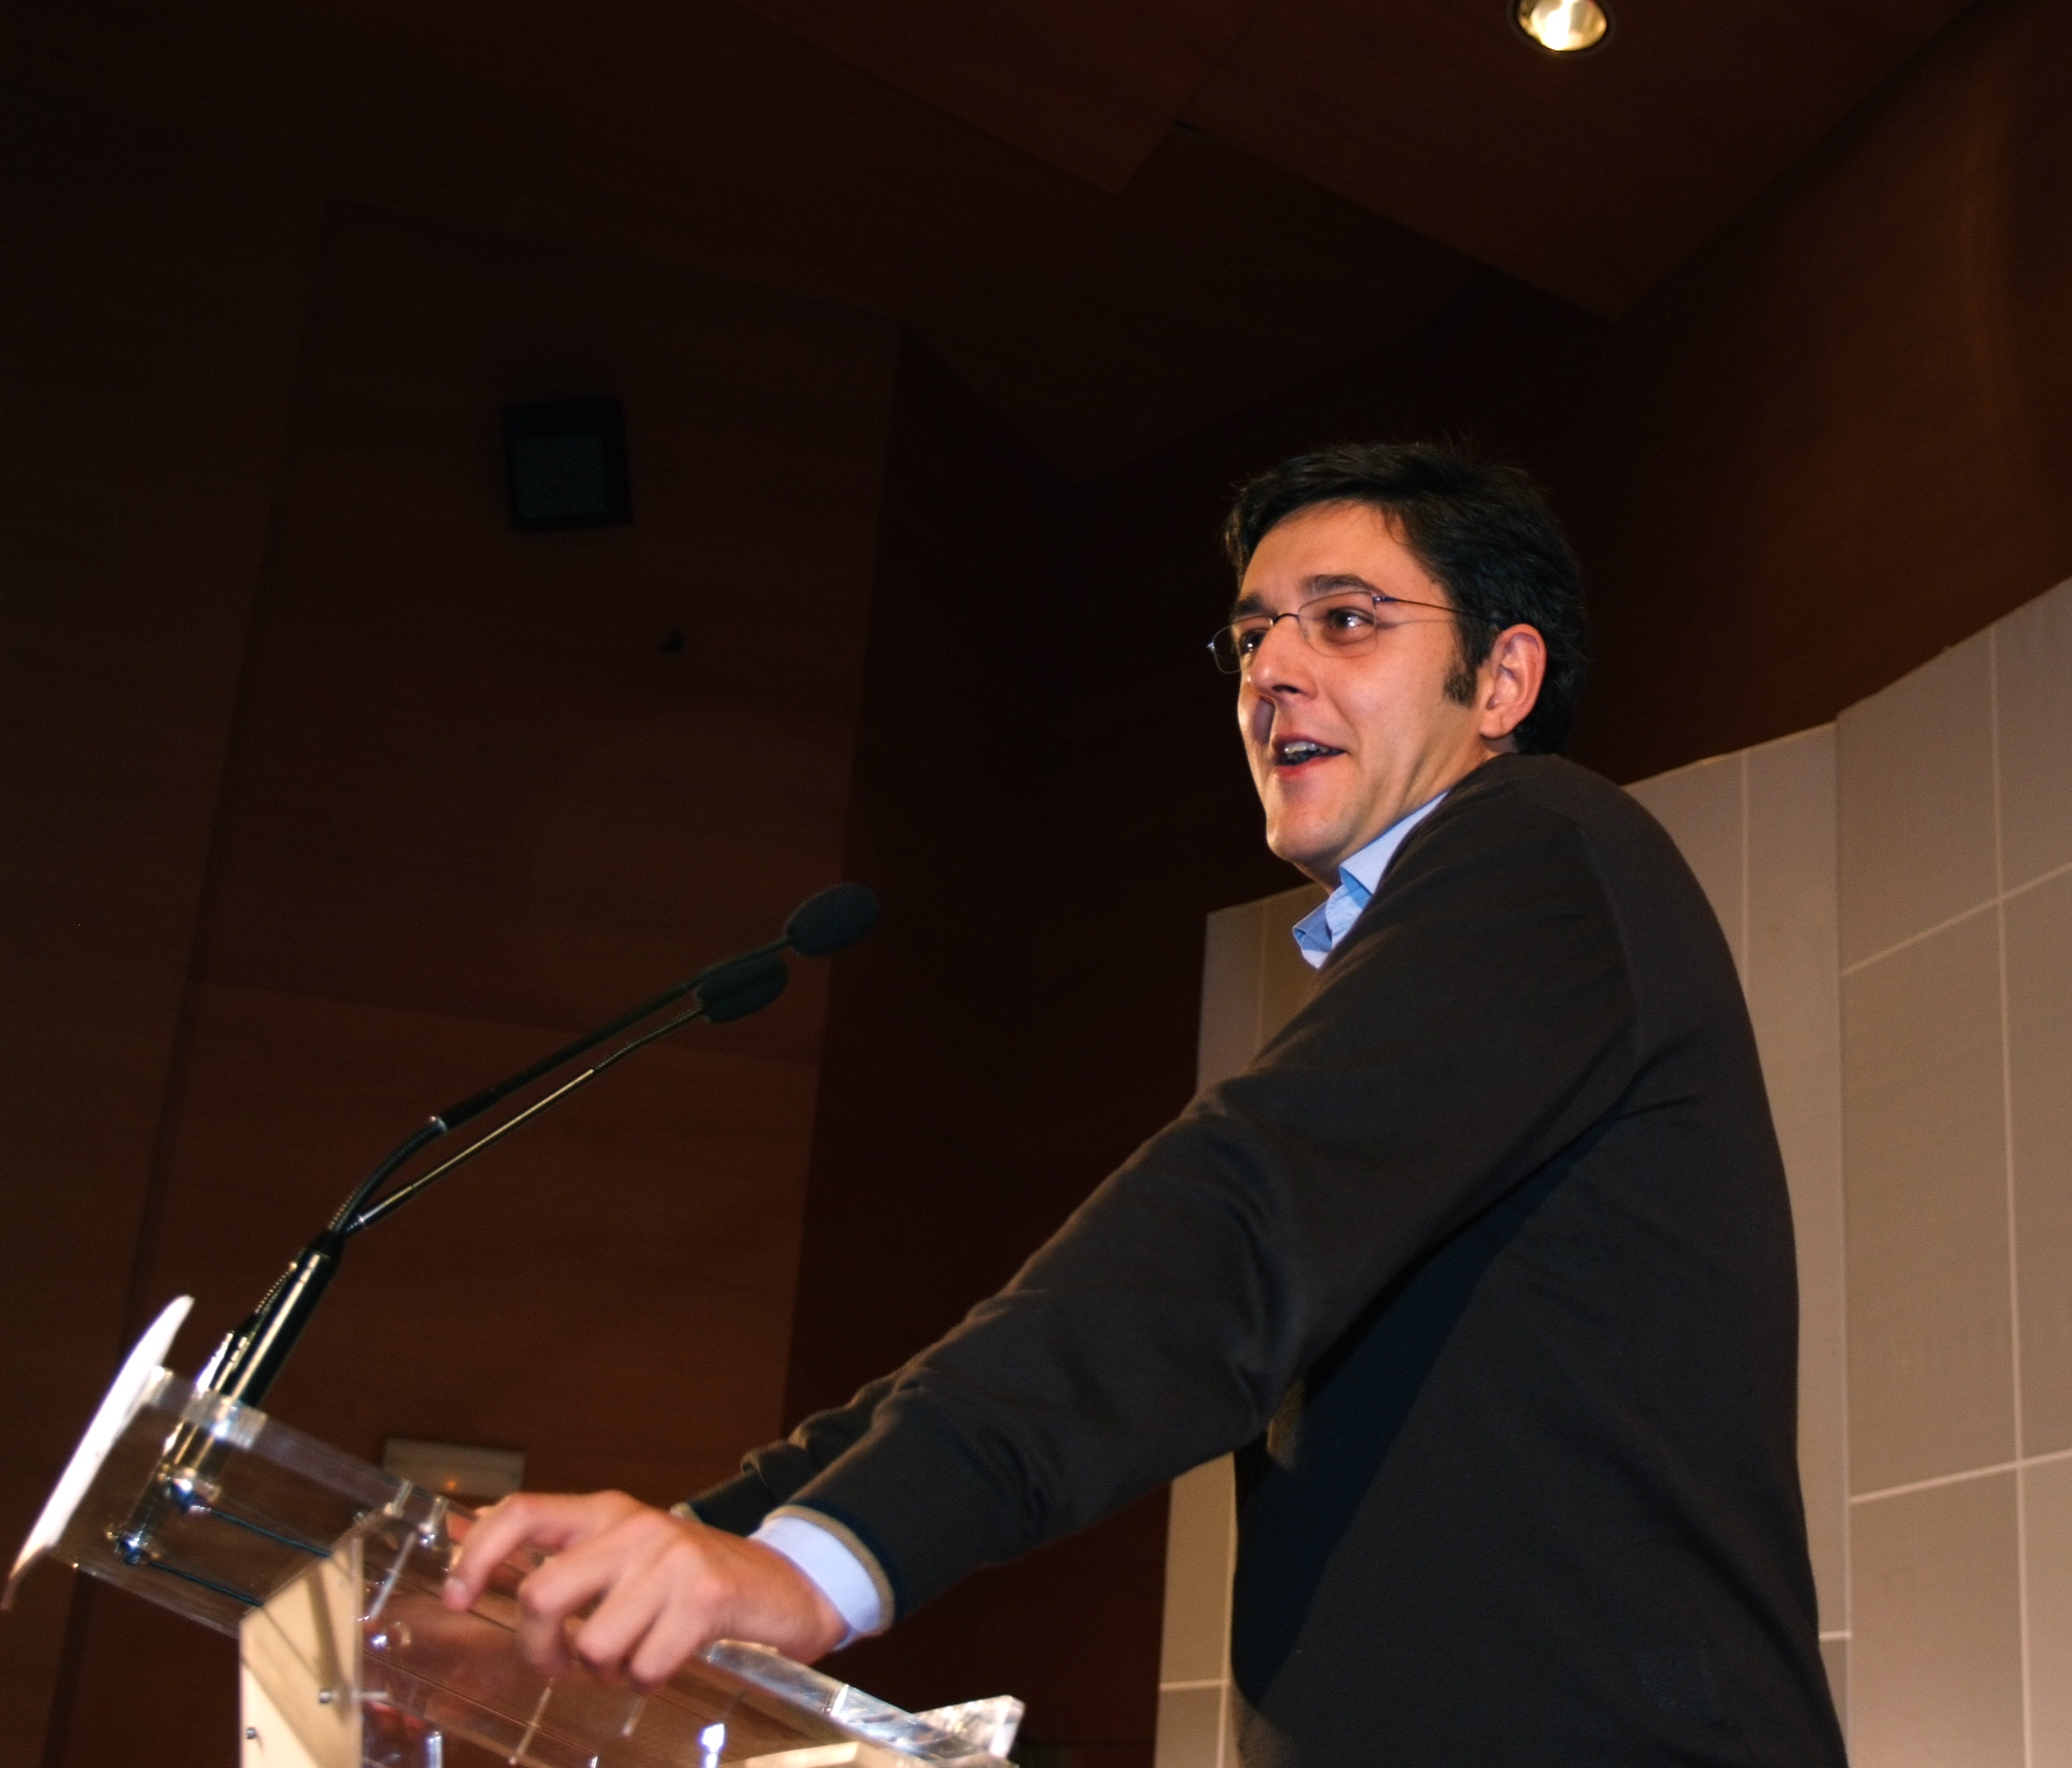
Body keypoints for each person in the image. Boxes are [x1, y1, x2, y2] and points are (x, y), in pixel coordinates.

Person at [447, 444, 1846, 1765]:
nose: (1272, 672)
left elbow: (1232, 1222)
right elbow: (1107, 1292)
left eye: (1344, 621)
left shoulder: (1545, 850)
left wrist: (823, 1562)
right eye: (1252, 637)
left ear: (1502, 679)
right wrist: (693, 1545)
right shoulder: (1469, 945)